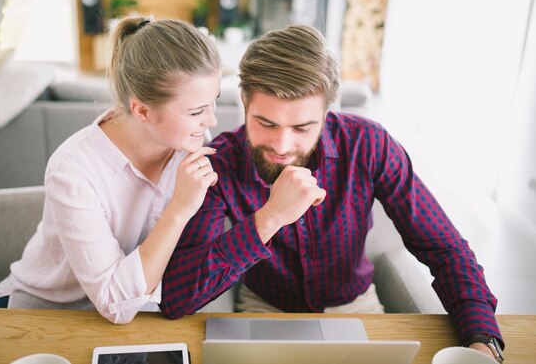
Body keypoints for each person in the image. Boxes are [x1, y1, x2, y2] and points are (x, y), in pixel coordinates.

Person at [160, 25, 504, 361]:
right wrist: (270, 218)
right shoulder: (219, 163)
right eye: (266, 123)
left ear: (326, 114)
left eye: (301, 127)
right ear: (244, 104)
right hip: (264, 308)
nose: (282, 145)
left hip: (355, 305)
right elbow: (178, 297)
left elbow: (445, 248)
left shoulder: (369, 145)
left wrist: (482, 340)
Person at [0, 17, 221, 324]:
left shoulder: (192, 142)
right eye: (196, 111)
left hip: (138, 314)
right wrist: (179, 210)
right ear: (141, 110)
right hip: (47, 314)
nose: (212, 121)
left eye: (213, 103)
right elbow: (114, 305)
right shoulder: (73, 170)